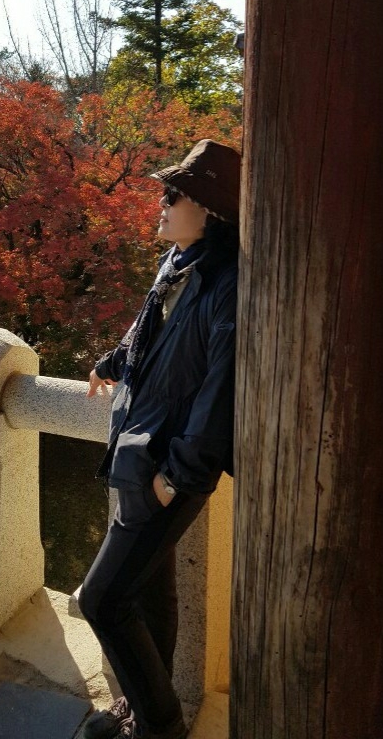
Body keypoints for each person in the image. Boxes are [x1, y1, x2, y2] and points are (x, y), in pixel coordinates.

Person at [79, 139, 240, 739]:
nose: (162, 203)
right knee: (149, 591)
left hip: (167, 464)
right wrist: (111, 361)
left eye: (175, 194)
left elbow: (220, 392)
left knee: (100, 600)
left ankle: (161, 725)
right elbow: (149, 329)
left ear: (211, 211)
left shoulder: (227, 283)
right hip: (141, 447)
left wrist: (175, 479)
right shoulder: (179, 260)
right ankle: (148, 707)